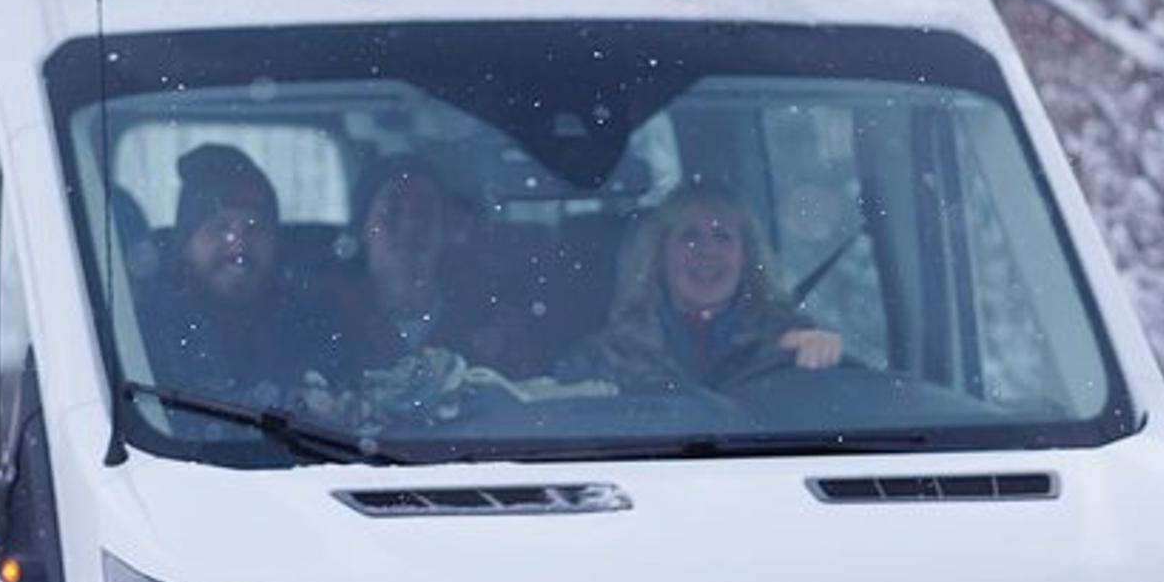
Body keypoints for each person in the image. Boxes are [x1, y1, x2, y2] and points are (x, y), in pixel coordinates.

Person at [557, 184, 843, 392]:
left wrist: (824, 354)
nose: (707, 251)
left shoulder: (791, 343)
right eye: (689, 237)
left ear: (747, 257)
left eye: (722, 236)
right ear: (658, 257)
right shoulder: (602, 359)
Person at [139, 144, 338, 395]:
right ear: (186, 245)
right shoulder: (146, 332)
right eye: (220, 228)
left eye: (255, 227)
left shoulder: (313, 328)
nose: (240, 245)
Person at [331, 155, 534, 377]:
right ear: (362, 228)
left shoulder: (491, 321)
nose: (409, 226)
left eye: (424, 211)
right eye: (392, 210)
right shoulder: (328, 322)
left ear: (446, 230)